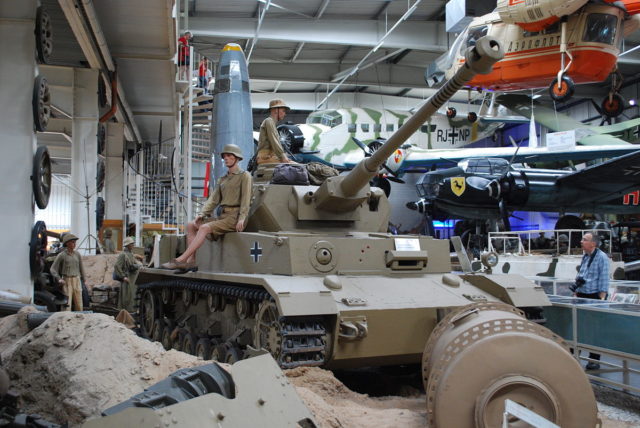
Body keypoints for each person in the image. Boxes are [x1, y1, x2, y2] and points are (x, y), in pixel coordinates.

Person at [162, 144, 252, 270]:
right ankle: (191, 261)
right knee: (190, 225)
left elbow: (246, 199)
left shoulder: (244, 176)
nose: (226, 158)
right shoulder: (223, 179)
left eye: (229, 156)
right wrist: (202, 213)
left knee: (204, 228)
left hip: (235, 218)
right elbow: (213, 199)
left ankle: (180, 259)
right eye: (224, 156)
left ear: (237, 158)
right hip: (223, 216)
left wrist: (242, 217)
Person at [572, 232, 609, 370]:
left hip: (594, 297)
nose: (581, 241)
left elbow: (604, 279)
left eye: (584, 239)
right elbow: (582, 274)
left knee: (594, 329)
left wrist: (602, 299)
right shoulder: (586, 256)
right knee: (579, 327)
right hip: (581, 295)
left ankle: (594, 360)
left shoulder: (602, 258)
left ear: (593, 243)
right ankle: (575, 356)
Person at [50, 233, 85, 311]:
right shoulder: (62, 255)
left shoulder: (77, 254)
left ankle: (80, 319)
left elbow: (81, 267)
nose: (74, 244)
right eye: (72, 242)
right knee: (67, 303)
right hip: (67, 280)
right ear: (67, 243)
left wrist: (84, 278)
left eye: (75, 242)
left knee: (79, 302)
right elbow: (53, 269)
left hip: (77, 279)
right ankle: (65, 318)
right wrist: (59, 278)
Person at [256, 99, 293, 165]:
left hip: (269, 156)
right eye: (283, 111)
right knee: (296, 168)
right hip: (266, 157)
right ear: (276, 110)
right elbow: (274, 140)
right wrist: (283, 156)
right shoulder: (269, 121)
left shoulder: (271, 123)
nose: (285, 114)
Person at [114, 236, 143, 312]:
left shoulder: (131, 254)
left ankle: (132, 312)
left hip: (133, 278)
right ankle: (126, 313)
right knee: (126, 297)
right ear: (127, 245)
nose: (133, 245)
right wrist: (123, 277)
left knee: (132, 296)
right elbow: (117, 266)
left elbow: (133, 264)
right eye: (131, 244)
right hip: (127, 278)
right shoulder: (123, 255)